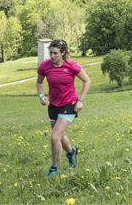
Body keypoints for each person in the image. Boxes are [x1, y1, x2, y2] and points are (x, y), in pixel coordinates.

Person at [36, 39, 91, 177]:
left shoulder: (71, 66)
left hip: (69, 104)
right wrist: (42, 96)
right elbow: (39, 83)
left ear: (63, 52)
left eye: (55, 53)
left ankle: (54, 169)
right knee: (60, 136)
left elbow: (87, 81)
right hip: (53, 105)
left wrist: (81, 100)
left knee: (54, 137)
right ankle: (71, 152)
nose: (52, 56)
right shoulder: (45, 66)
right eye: (50, 53)